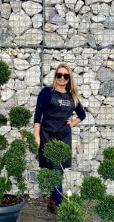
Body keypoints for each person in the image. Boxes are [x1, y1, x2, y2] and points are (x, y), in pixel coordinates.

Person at [34, 63, 86, 213]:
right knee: (54, 170)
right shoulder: (46, 92)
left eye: (66, 76)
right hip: (47, 135)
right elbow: (38, 117)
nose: (62, 78)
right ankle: (64, 207)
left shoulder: (72, 96)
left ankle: (53, 202)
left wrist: (72, 123)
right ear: (55, 76)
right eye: (59, 75)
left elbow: (82, 115)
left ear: (69, 78)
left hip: (63, 138)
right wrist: (36, 136)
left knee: (58, 171)